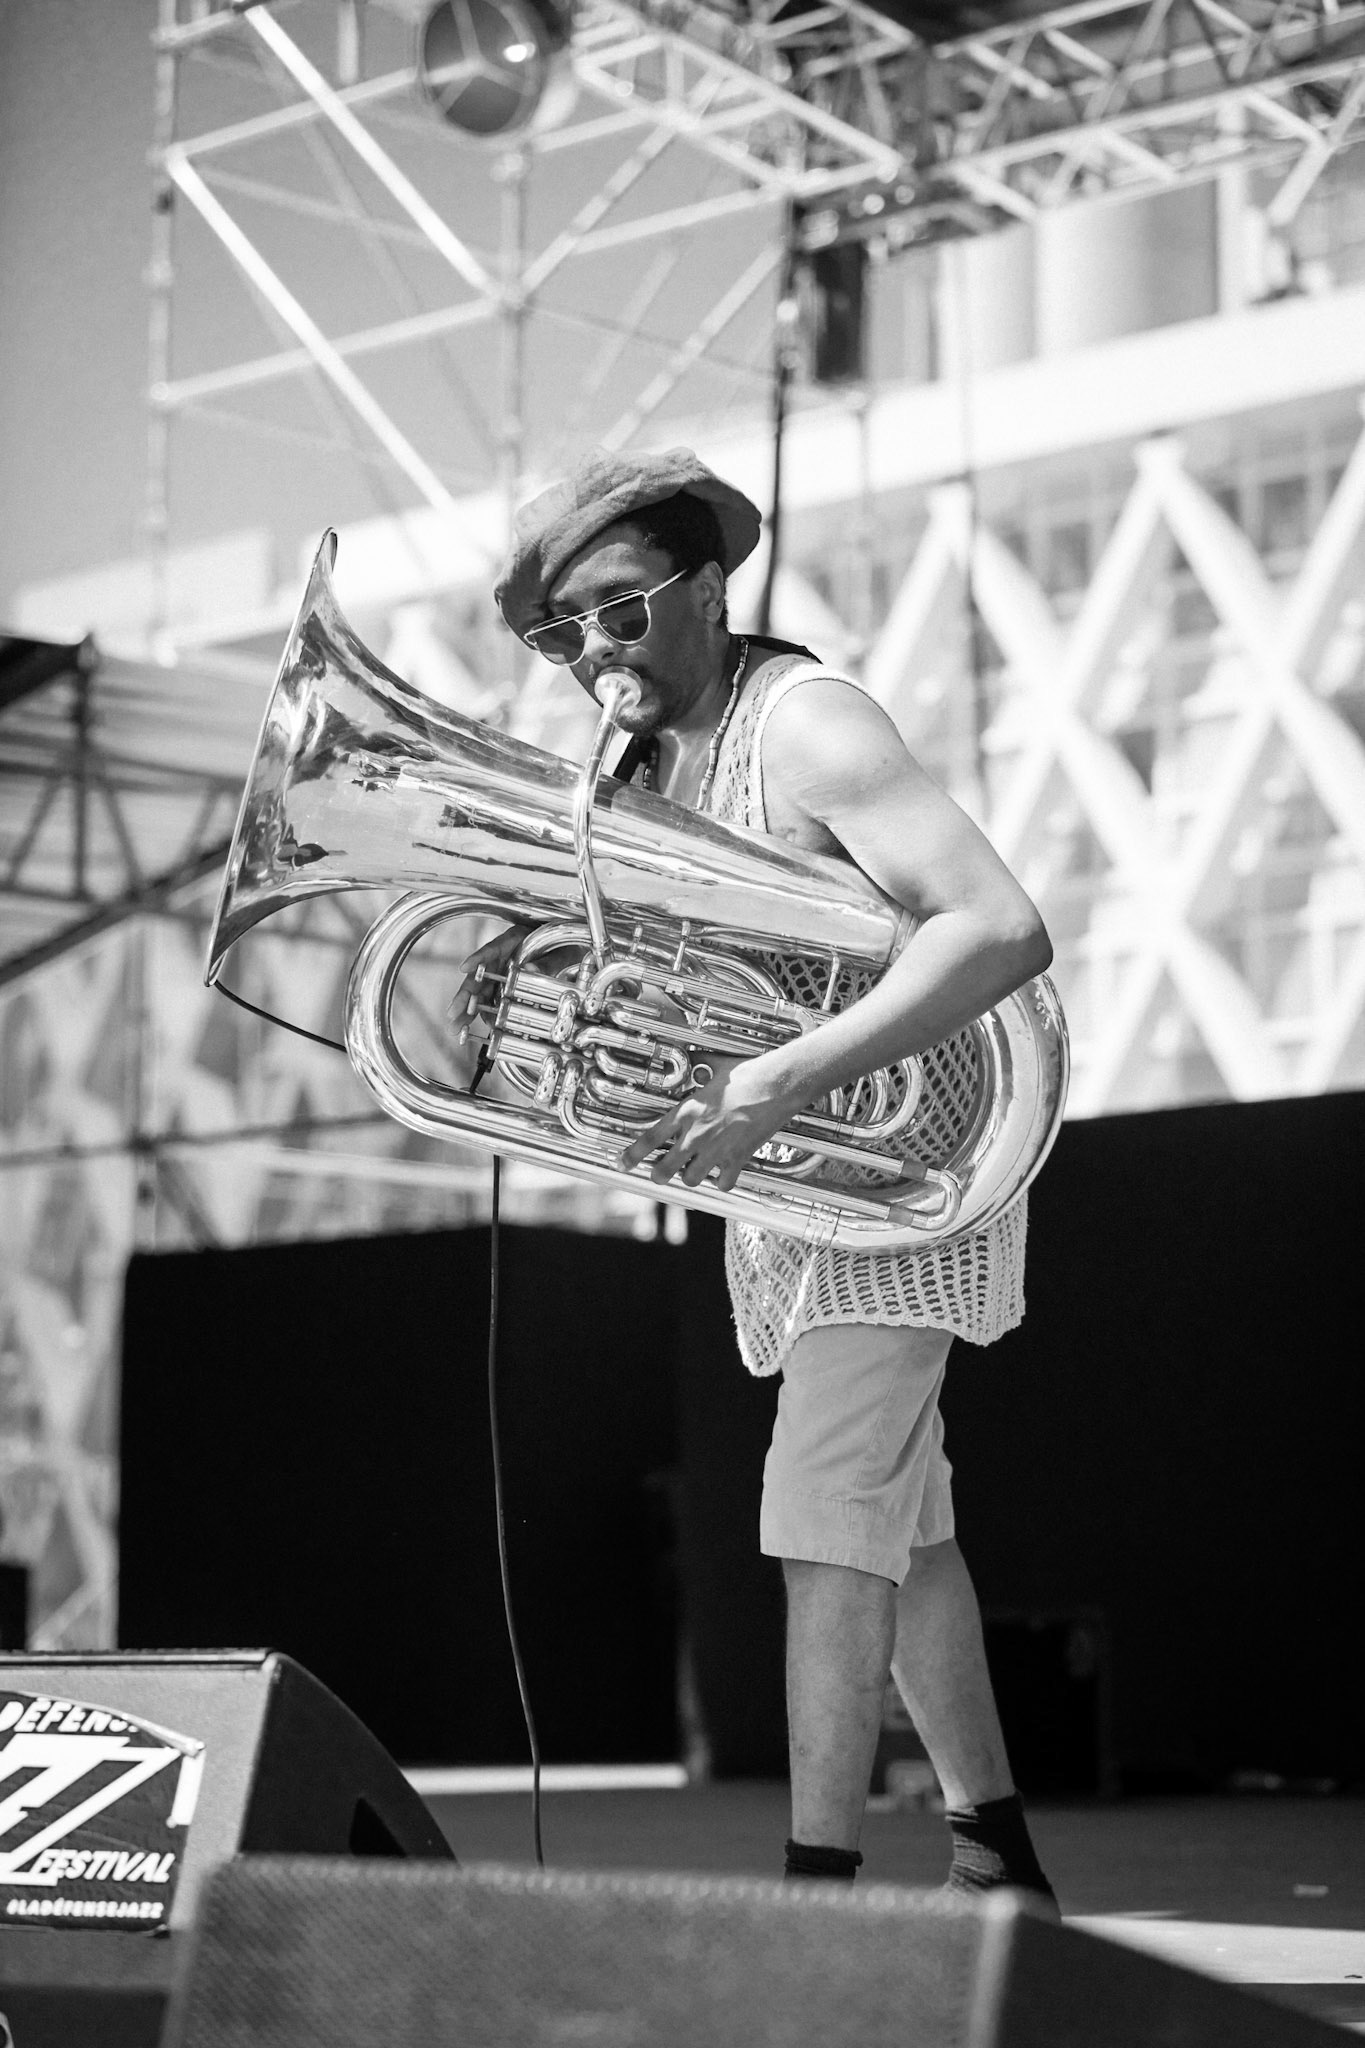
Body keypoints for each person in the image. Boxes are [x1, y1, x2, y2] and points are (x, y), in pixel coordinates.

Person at [462, 448, 1058, 1904]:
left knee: (816, 1504)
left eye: (618, 612)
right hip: (793, 1181)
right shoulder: (636, 773)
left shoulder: (803, 723)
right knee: (898, 1532)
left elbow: (995, 925)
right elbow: (720, 986)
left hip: (909, 1161)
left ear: (711, 587)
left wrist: (774, 1078)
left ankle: (814, 1899)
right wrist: (604, 1017)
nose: (591, 655)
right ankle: (999, 1864)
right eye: (561, 636)